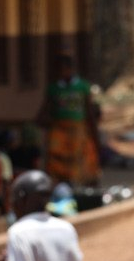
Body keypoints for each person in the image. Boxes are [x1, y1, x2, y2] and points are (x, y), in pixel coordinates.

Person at [37, 54, 100, 187]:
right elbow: (42, 114)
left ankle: (85, 191)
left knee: (83, 162)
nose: (63, 72)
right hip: (60, 133)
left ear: (71, 69)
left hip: (78, 131)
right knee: (59, 164)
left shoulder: (83, 87)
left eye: (65, 69)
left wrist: (95, 136)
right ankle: (62, 189)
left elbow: (89, 112)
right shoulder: (53, 89)